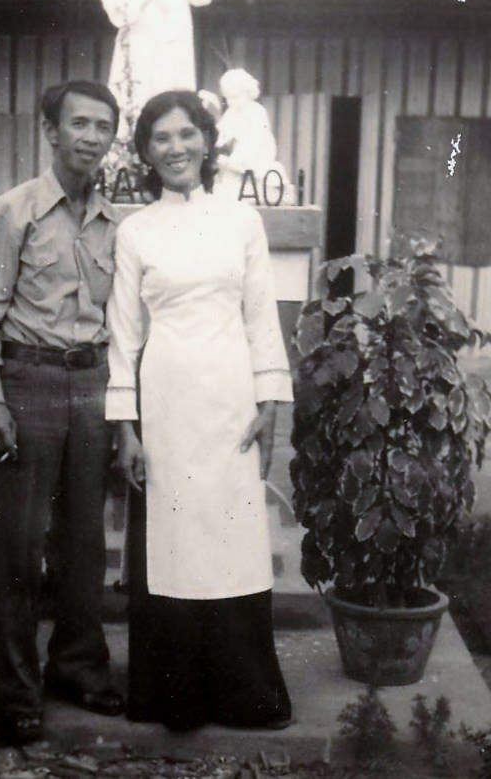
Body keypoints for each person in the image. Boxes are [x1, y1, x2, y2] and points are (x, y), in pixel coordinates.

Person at [105, 90, 293, 731]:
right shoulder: (135, 232)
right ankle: (172, 697)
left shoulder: (241, 224)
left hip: (231, 401)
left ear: (208, 141)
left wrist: (270, 404)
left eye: (187, 134)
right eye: (161, 138)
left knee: (232, 539)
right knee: (175, 542)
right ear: (146, 153)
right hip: (165, 405)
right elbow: (124, 336)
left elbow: (262, 317)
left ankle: (246, 694)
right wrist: (125, 427)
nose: (176, 147)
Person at [0, 80, 125, 746]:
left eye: (104, 126)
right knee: (19, 546)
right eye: (79, 123)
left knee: (84, 546)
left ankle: (77, 666)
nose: (91, 136)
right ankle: (17, 687)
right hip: (26, 383)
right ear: (50, 130)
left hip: (91, 386)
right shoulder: (15, 210)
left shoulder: (114, 223)